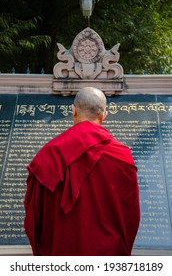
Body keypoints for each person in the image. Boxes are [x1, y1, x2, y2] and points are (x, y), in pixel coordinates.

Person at [24, 87, 140, 256]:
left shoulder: (48, 154)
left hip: (60, 256)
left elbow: (34, 215)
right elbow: (131, 217)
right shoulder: (121, 156)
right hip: (105, 255)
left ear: (73, 111)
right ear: (104, 115)